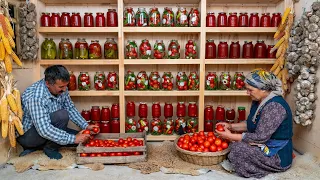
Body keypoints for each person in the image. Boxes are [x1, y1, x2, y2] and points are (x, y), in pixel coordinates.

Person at [216, 68, 293, 178]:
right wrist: (230, 126)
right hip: (263, 145)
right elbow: (251, 124)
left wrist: (230, 136)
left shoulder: (275, 106)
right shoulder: (258, 101)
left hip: (277, 154)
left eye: (250, 90)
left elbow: (260, 137)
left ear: (263, 89)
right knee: (234, 146)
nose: (247, 93)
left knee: (237, 149)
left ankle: (268, 168)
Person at [17, 65, 99, 159]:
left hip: (47, 128)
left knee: (82, 138)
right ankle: (48, 148)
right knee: (63, 117)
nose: (65, 89)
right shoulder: (35, 97)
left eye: (66, 86)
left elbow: (70, 108)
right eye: (61, 87)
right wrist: (73, 139)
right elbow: (44, 130)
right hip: (29, 136)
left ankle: (41, 146)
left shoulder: (62, 88)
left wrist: (85, 125)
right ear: (48, 83)